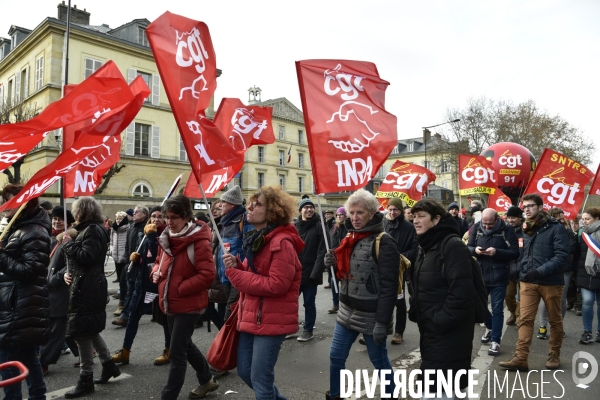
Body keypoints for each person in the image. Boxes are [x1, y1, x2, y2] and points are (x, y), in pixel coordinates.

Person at [222, 186, 303, 400]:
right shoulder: (260, 238)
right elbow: (253, 272)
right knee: (245, 372)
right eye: (251, 202)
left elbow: (277, 285)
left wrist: (235, 275)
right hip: (252, 316)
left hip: (271, 320)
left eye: (257, 204)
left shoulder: (281, 243)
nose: (249, 207)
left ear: (273, 212)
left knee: (260, 379)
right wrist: (238, 265)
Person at [324, 189, 399, 399]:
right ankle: (336, 395)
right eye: (352, 213)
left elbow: (389, 286)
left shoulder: (384, 242)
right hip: (346, 310)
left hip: (371, 315)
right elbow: (349, 273)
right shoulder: (349, 237)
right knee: (335, 357)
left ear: (372, 213)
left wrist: (382, 322)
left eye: (360, 213)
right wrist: (331, 263)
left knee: (379, 361)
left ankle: (390, 395)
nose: (355, 218)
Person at [150, 195, 218, 399]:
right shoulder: (167, 237)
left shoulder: (198, 241)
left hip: (189, 304)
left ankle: (168, 396)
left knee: (177, 353)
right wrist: (155, 271)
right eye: (166, 217)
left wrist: (179, 287)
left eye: (174, 217)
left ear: (186, 217)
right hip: (169, 301)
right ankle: (206, 379)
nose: (169, 222)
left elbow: (207, 275)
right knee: (184, 344)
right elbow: (158, 261)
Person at [409, 197, 475, 398]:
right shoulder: (426, 246)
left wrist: (439, 320)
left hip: (447, 331)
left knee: (438, 388)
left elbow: (462, 293)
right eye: (414, 217)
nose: (416, 221)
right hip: (433, 330)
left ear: (436, 220)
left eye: (421, 216)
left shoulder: (451, 245)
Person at [499, 194, 569, 371]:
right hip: (527, 281)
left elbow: (562, 257)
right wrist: (523, 271)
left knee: (554, 320)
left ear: (540, 207)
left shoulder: (556, 228)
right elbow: (520, 253)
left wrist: (539, 271)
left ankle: (554, 354)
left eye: (530, 206)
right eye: (525, 207)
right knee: (525, 320)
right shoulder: (523, 228)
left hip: (551, 281)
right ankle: (521, 358)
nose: (527, 209)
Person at [62, 197, 120, 398]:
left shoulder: (93, 230)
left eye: (75, 210)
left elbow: (87, 257)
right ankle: (109, 365)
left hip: (87, 287)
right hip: (85, 285)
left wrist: (68, 245)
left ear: (82, 211)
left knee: (81, 332)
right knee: (90, 329)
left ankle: (86, 378)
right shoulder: (88, 229)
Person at [0, 184, 51, 400]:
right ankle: (38, 395)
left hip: (21, 306)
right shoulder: (17, 227)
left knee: (7, 360)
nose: (4, 205)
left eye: (9, 200)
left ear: (24, 203)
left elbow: (31, 270)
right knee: (28, 356)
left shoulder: (34, 231)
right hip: (17, 304)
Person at [112, 207, 168, 365]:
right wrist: (137, 261)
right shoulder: (146, 233)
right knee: (132, 317)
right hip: (141, 284)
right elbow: (145, 259)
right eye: (153, 216)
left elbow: (158, 255)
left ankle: (168, 349)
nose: (156, 219)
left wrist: (152, 236)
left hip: (157, 286)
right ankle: (125, 350)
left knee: (164, 320)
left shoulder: (164, 235)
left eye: (159, 217)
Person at [468, 208, 519, 356]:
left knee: (497, 309)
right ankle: (489, 328)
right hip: (481, 274)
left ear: (497, 219)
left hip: (499, 275)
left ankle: (496, 341)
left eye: (490, 224)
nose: (487, 226)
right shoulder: (476, 228)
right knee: (479, 306)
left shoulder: (507, 229)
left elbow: (515, 253)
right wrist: (475, 250)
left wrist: (497, 252)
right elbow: (468, 247)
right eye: (485, 223)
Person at [39, 206, 77, 375]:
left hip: (60, 289)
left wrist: (56, 278)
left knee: (56, 328)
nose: (56, 221)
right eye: (54, 218)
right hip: (47, 287)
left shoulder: (70, 239)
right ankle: (88, 352)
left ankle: (44, 363)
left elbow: (70, 266)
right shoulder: (52, 238)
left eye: (61, 219)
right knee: (66, 329)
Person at [536, 207, 578, 339]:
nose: (561, 220)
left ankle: (560, 326)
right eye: (558, 218)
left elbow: (573, 247)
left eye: (562, 217)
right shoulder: (544, 230)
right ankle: (543, 326)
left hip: (563, 270)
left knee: (561, 299)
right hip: (547, 269)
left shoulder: (567, 232)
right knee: (545, 298)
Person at [214, 185, 254, 321]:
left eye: (223, 202)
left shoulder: (245, 220)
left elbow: (251, 249)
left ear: (232, 204)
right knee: (232, 314)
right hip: (225, 275)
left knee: (230, 316)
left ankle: (233, 342)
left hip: (239, 275)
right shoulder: (225, 223)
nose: (220, 205)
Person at [382, 197, 418, 346]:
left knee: (399, 302)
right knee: (380, 301)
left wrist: (400, 258)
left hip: (399, 271)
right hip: (382, 269)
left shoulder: (409, 228)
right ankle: (377, 330)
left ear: (401, 210)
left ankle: (399, 332)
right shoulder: (383, 224)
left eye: (395, 209)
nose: (392, 212)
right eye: (390, 209)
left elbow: (414, 250)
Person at [294, 196, 327, 342]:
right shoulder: (295, 227)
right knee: (291, 302)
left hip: (311, 272)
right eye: (306, 207)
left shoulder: (320, 227)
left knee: (308, 303)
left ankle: (308, 330)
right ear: (301, 210)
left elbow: (322, 251)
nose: (309, 209)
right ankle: (291, 327)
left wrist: (316, 272)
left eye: (311, 207)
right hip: (295, 272)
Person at [113, 205, 149, 327]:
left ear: (144, 214)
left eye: (137, 212)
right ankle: (127, 314)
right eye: (134, 212)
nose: (134, 214)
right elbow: (128, 246)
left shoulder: (146, 229)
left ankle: (126, 315)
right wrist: (129, 260)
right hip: (131, 264)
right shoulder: (131, 227)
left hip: (141, 265)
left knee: (135, 292)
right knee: (130, 290)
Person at [577, 207, 600, 344]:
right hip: (585, 272)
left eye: (588, 219)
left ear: (597, 219)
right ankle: (587, 332)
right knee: (587, 302)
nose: (584, 221)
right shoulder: (581, 233)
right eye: (583, 219)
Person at [504, 206, 524, 326]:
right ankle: (513, 312)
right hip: (509, 269)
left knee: (523, 298)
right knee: (508, 295)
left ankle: (518, 317)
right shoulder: (504, 231)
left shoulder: (526, 231)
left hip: (523, 269)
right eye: (509, 218)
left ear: (520, 218)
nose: (511, 220)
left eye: (513, 218)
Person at [327, 207, 348, 314]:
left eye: (341, 214)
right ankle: (336, 304)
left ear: (345, 216)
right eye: (338, 215)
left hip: (344, 259)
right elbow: (331, 241)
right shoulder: (333, 228)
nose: (339, 216)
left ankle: (345, 305)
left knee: (345, 283)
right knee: (333, 282)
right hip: (334, 259)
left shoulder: (348, 227)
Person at [111, 211, 130, 306]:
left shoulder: (128, 228)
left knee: (124, 278)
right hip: (116, 255)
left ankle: (123, 298)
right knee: (119, 277)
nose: (118, 221)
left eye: (120, 219)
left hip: (124, 256)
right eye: (117, 218)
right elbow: (111, 240)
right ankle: (121, 292)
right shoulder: (114, 228)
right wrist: (111, 249)